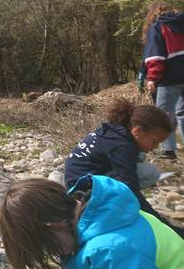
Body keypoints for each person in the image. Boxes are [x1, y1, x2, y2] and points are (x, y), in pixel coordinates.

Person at [0, 175, 184, 269]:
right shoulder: (93, 214)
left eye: (48, 247)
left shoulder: (111, 249)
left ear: (54, 226)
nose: (55, 253)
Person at [64, 98, 184, 237]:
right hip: (81, 188)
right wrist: (160, 222)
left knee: (146, 169)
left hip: (84, 174)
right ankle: (112, 209)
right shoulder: (121, 146)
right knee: (135, 184)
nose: (155, 147)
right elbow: (129, 188)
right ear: (137, 131)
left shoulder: (118, 130)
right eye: (154, 141)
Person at [142, 2, 184, 159]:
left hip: (170, 76)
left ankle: (168, 150)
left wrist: (152, 78)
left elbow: (156, 56)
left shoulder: (158, 27)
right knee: (183, 112)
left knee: (165, 113)